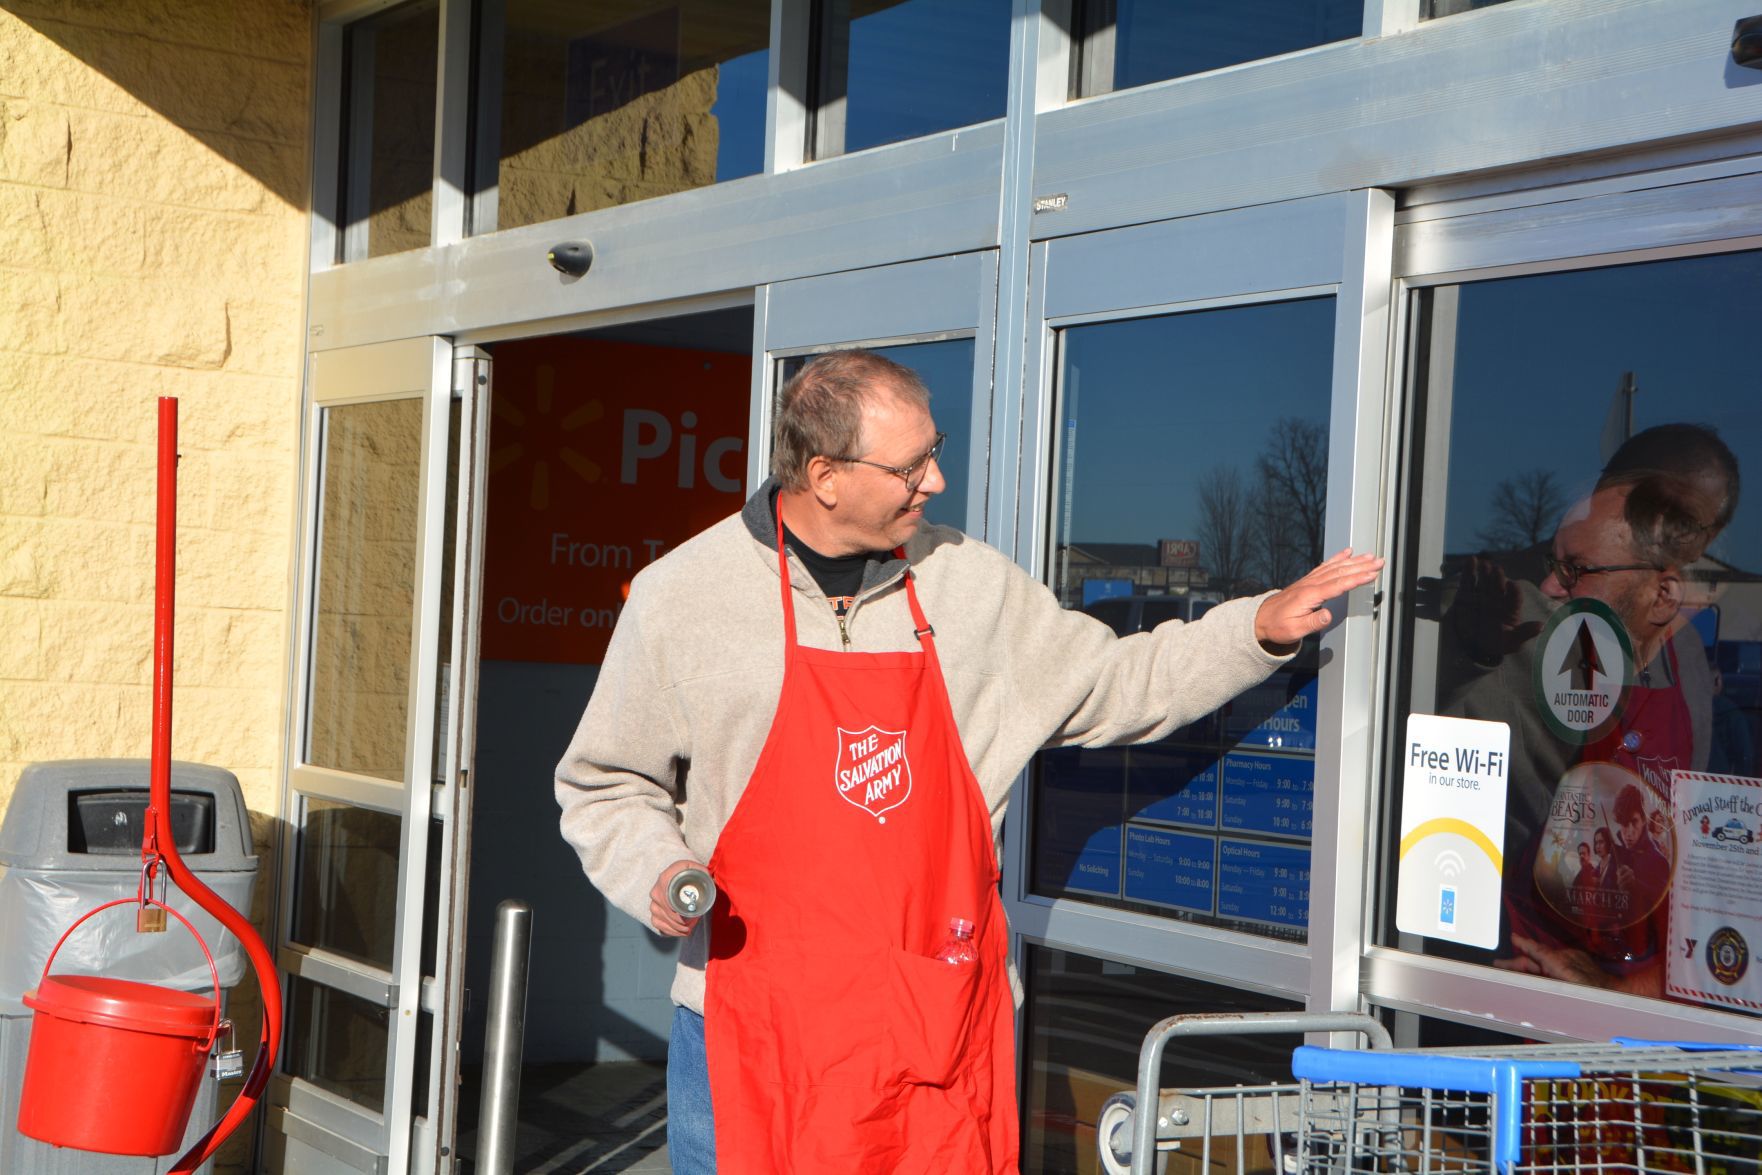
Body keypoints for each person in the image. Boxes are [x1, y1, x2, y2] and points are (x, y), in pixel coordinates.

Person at [554, 349, 1382, 1174]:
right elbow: (605, 783)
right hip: (752, 1031)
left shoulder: (971, 588)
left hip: (938, 1028)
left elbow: (1117, 680)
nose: (937, 481)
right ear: (825, 474)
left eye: (935, 449)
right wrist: (659, 870)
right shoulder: (682, 597)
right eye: (911, 464)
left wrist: (1255, 630)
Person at [1444, 425, 1740, 995]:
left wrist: (1631, 992)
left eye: (1695, 533)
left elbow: (1712, 877)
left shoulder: (1689, 663)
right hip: (1527, 985)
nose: (1684, 548)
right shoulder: (1525, 625)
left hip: (1636, 1014)